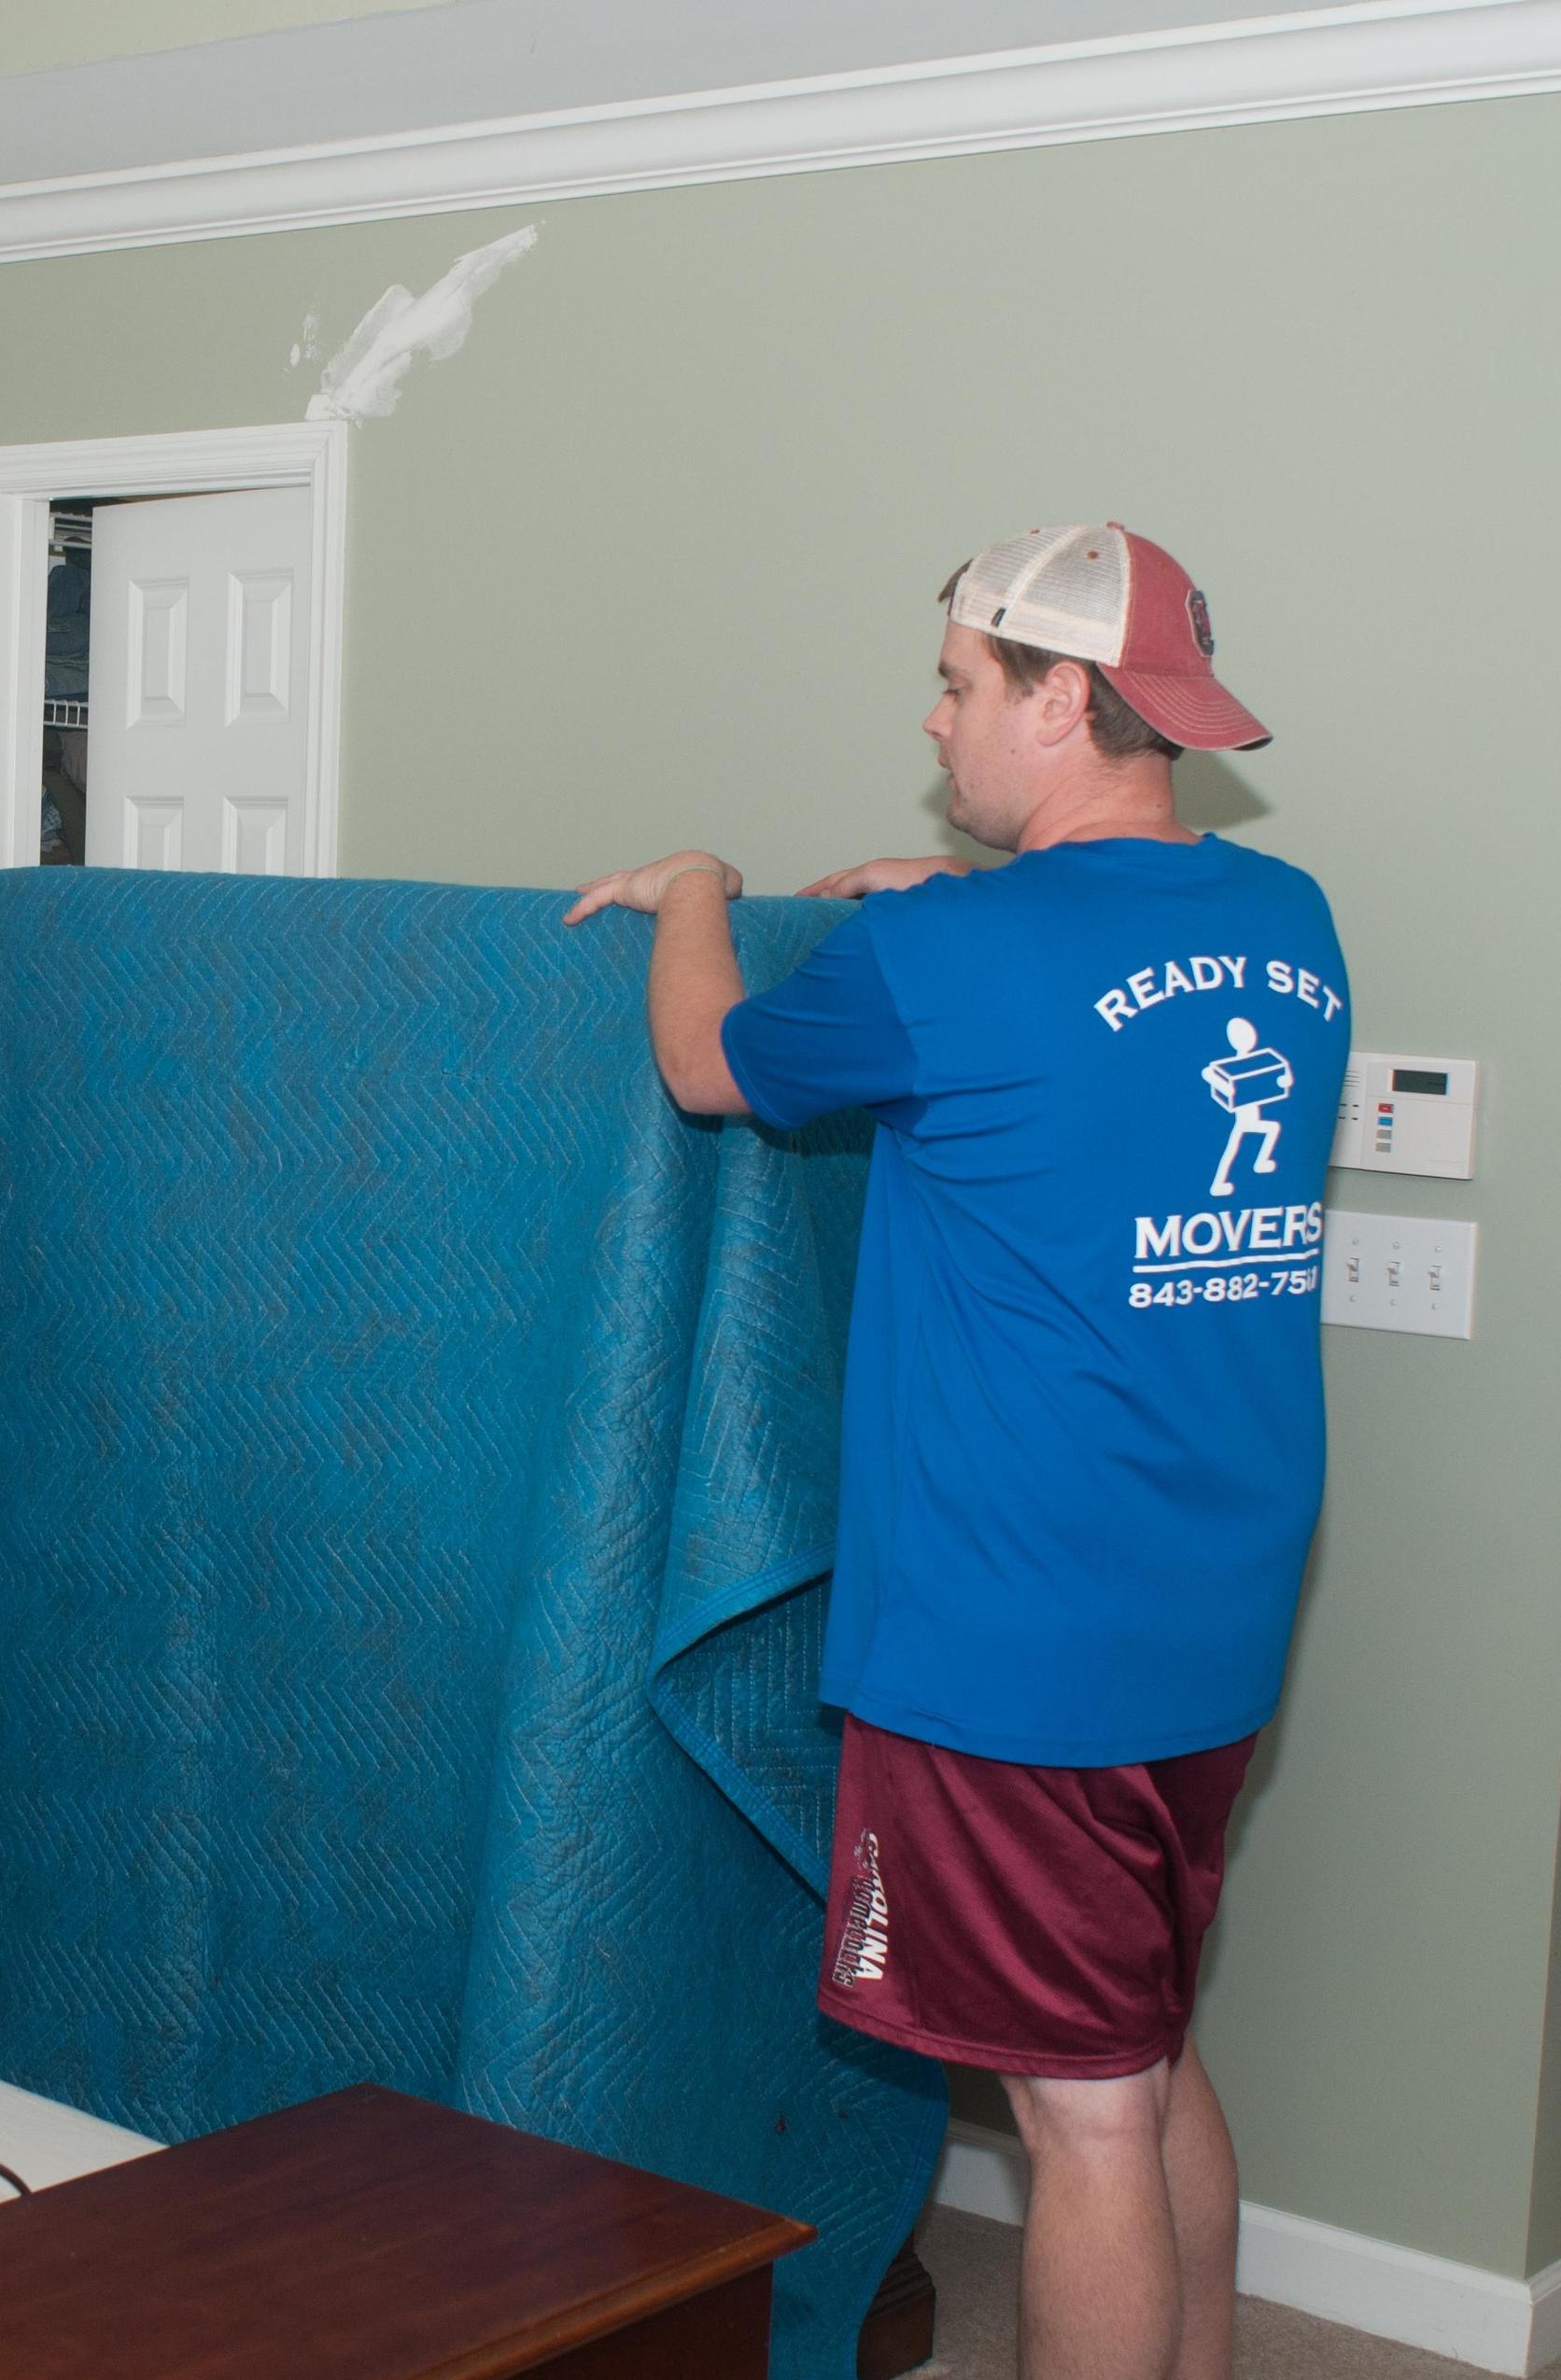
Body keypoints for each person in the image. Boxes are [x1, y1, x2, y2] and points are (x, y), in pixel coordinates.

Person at [568, 525, 1349, 2380]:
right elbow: (1098, 1008)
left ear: (1067, 702)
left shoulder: (952, 961)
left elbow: (708, 1062)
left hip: (1014, 1635)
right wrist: (953, 905)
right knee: (1143, 2052)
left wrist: (698, 886)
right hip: (1213, 1610)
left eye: (960, 686)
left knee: (1081, 2111)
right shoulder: (1287, 921)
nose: (937, 725)